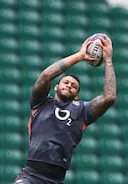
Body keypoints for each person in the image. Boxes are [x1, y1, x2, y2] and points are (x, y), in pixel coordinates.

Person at [14, 35, 116, 184]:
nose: (69, 85)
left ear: (77, 96)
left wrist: (108, 60)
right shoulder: (40, 102)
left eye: (73, 86)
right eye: (65, 82)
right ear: (56, 87)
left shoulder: (82, 111)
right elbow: (46, 75)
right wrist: (80, 56)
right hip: (31, 175)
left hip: (56, 179)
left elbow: (109, 98)